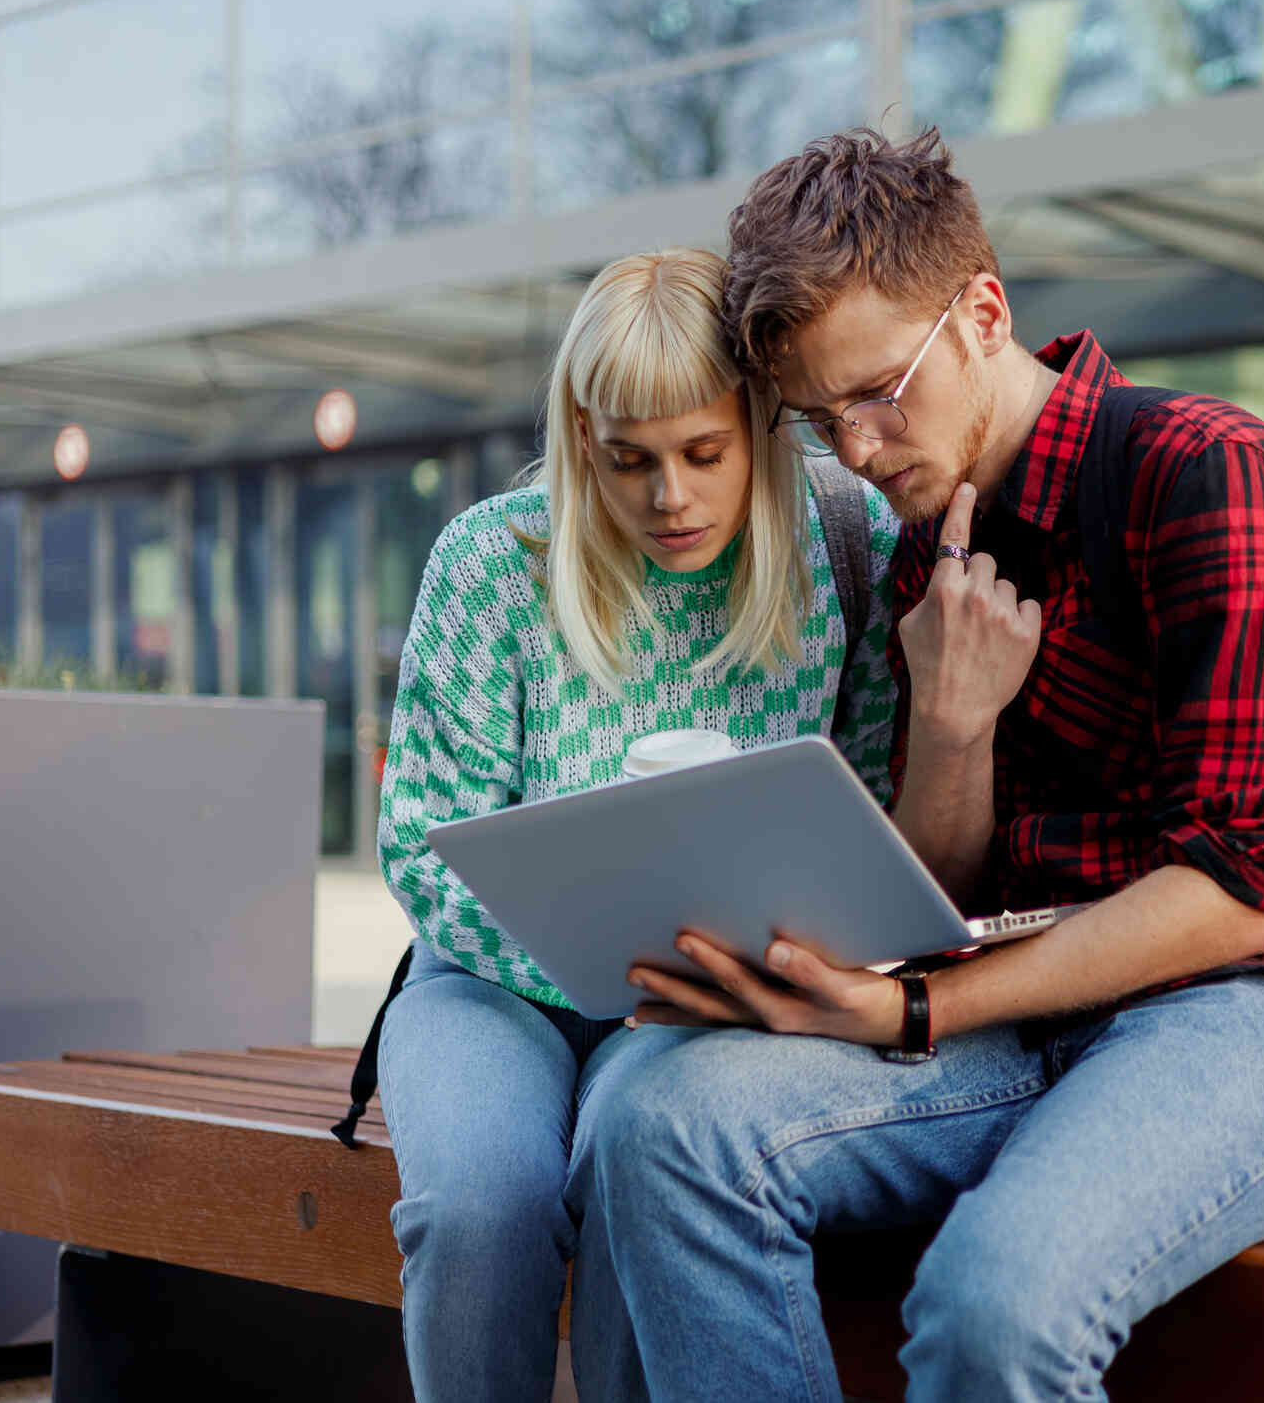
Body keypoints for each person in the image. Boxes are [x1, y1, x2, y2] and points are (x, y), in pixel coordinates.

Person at [566, 129, 1264, 1402]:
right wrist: (951, 722)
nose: (863, 451)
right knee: (657, 1128)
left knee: (992, 1303)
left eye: (881, 391)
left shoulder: (1208, 476)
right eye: (823, 422)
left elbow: (1240, 890)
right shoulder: (926, 549)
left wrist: (917, 1010)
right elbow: (943, 881)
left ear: (985, 310)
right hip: (1036, 1014)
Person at [369, 247, 900, 1402]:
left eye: (704, 454)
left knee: (638, 1157)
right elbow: (419, 837)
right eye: (628, 461)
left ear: (763, 426)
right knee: (479, 1202)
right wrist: (586, 964)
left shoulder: (849, 548)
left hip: (708, 993)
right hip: (488, 985)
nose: (671, 496)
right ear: (579, 437)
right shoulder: (492, 563)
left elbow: (867, 806)